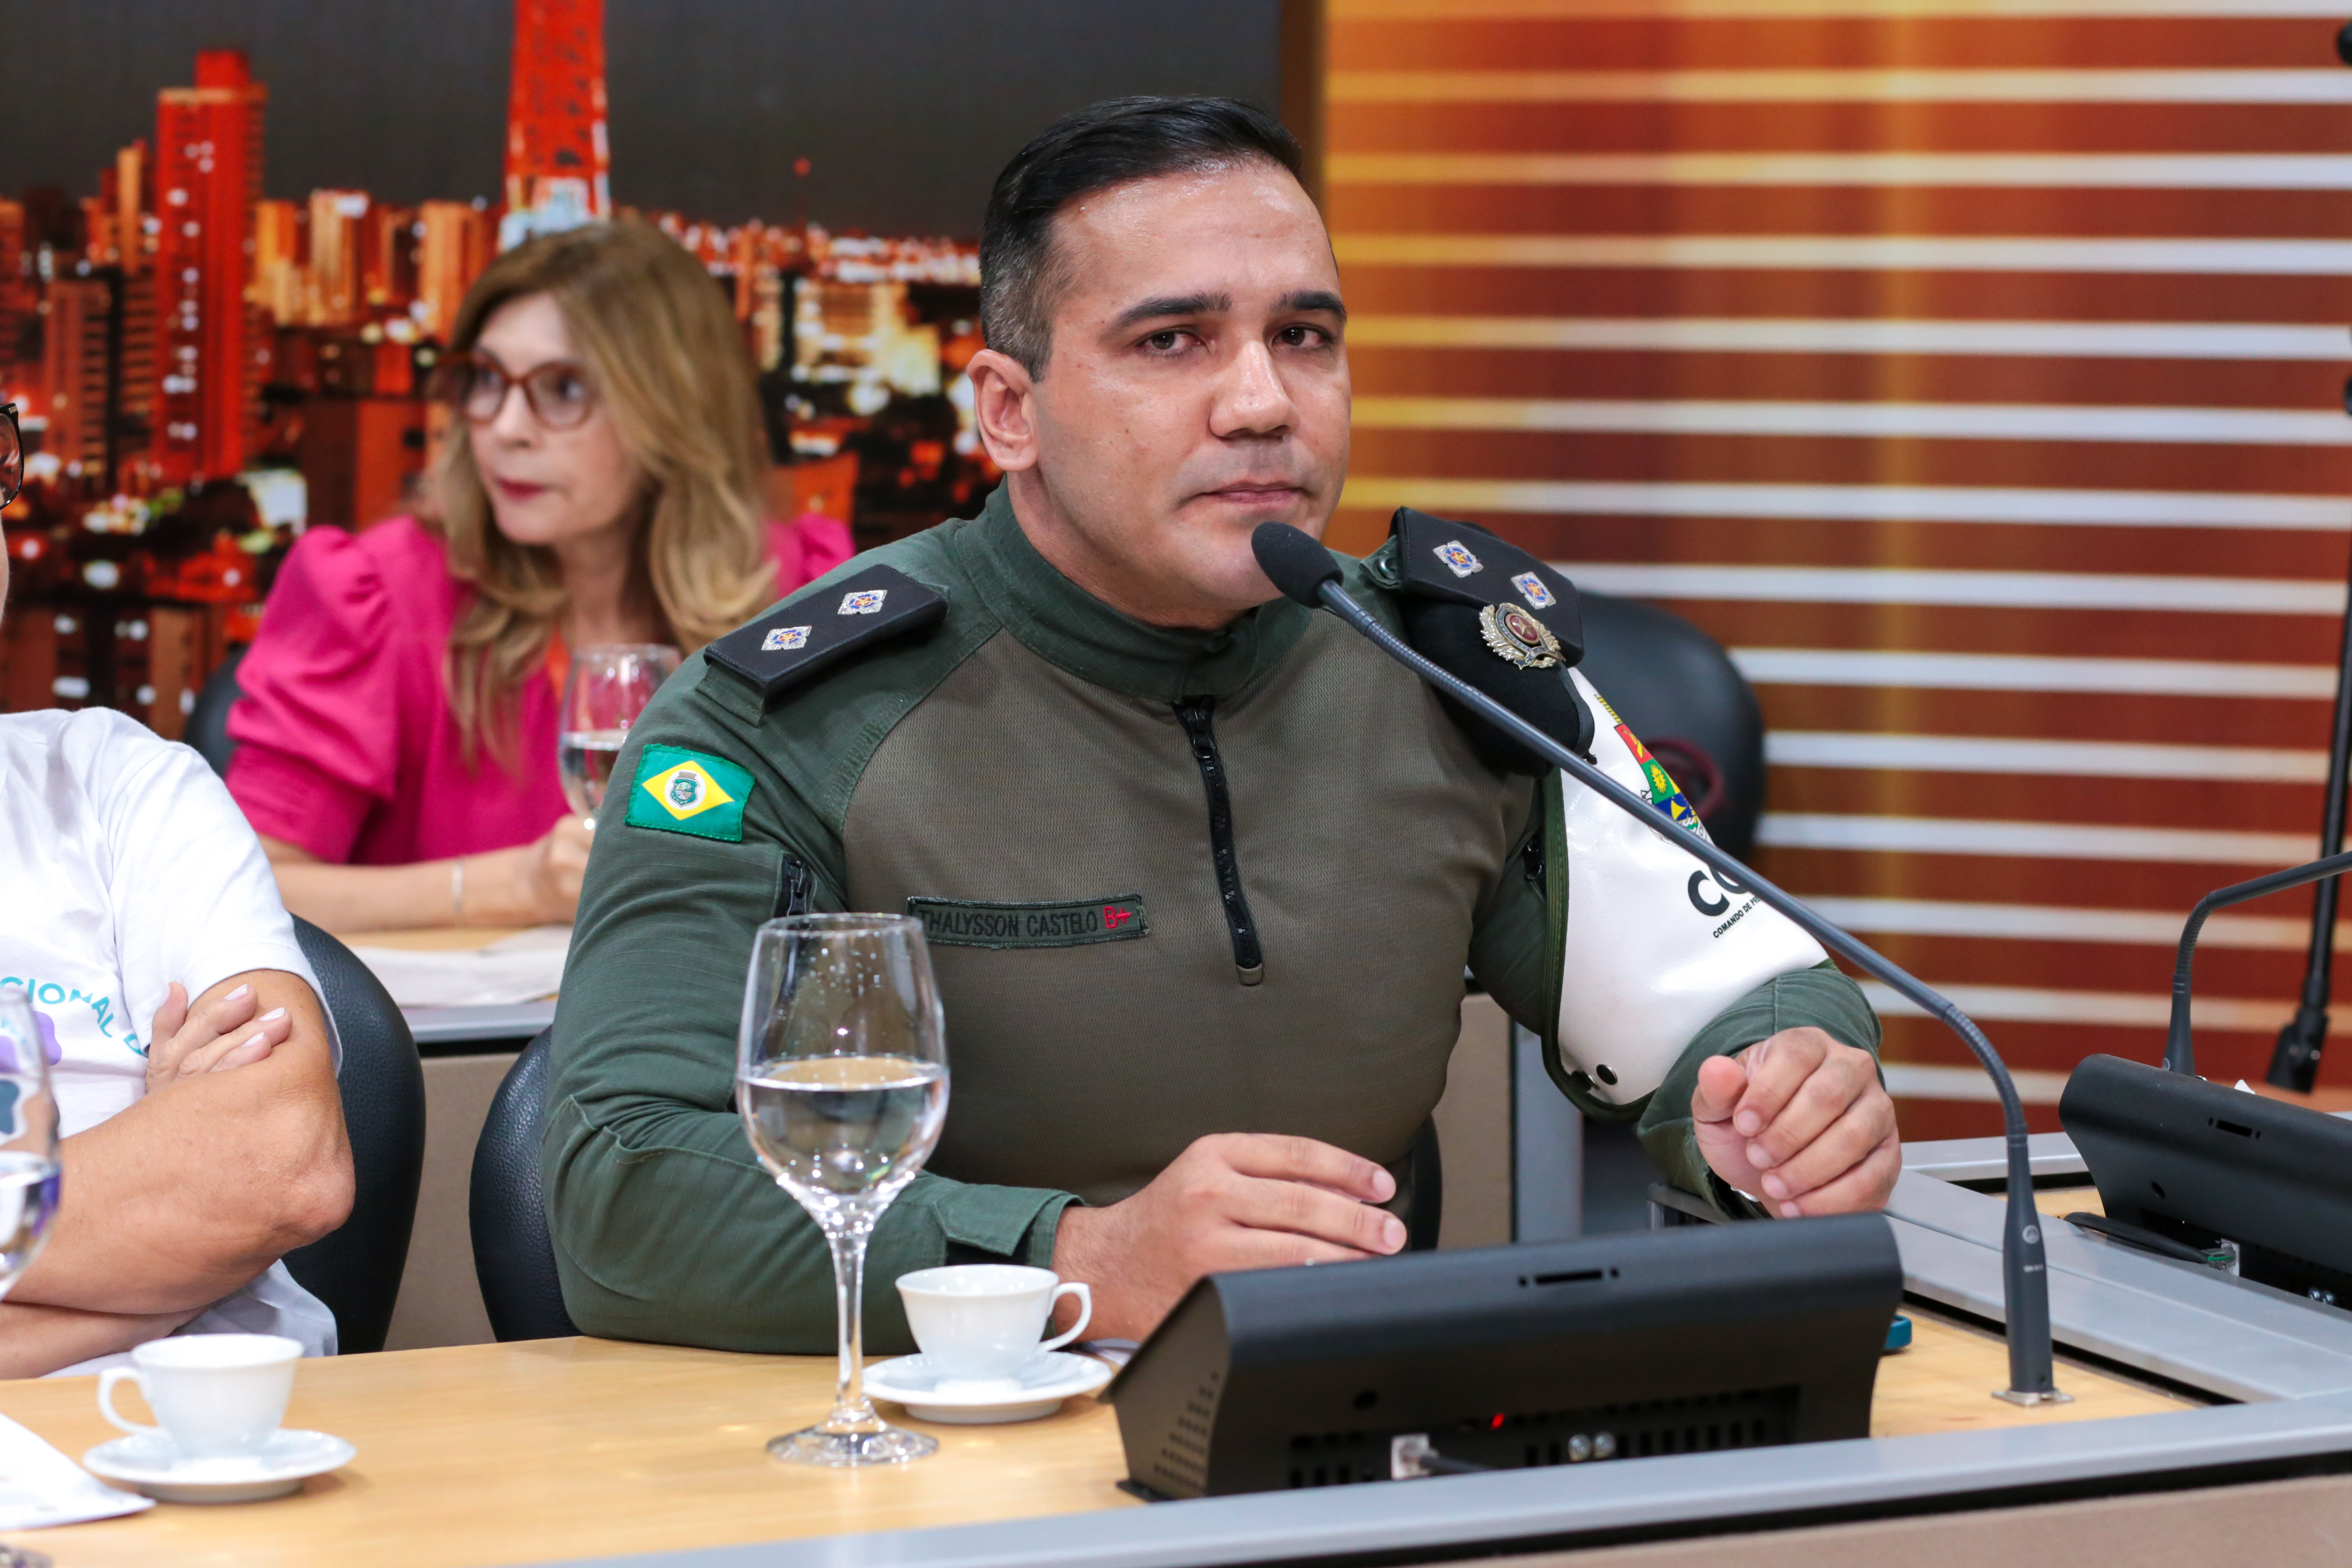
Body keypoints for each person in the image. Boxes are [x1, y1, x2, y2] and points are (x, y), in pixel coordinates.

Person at [542, 99, 1900, 1354]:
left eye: (1302, 336)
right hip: (912, 1453)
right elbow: (621, 1188)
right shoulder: (786, 717)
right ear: (1008, 411)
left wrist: (1782, 1103)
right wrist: (1075, 1261)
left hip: (1341, 1428)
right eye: (1171, 341)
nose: (1262, 402)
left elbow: (1732, 991)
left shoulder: (1449, 661)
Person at [226, 219, 853, 932]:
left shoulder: (794, 589)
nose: (506, 428)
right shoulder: (376, 591)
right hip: (459, 1011)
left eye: (562, 389)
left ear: (672, 409)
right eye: (486, 380)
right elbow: (249, 885)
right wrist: (516, 888)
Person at [0, 403, 354, 1377]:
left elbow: (280, 1159)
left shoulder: (121, 783)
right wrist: (161, 1232)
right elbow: (216, 1195)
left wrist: (210, 1190)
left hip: (223, 1448)